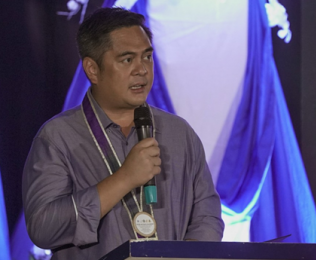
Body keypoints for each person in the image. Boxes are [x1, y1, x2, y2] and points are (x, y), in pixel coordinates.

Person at [22, 8, 224, 259]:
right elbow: (43, 228)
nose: (142, 70)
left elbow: (207, 214)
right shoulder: (56, 138)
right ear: (93, 70)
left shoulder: (179, 133)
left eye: (147, 57)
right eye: (127, 59)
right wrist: (124, 178)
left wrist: (185, 254)